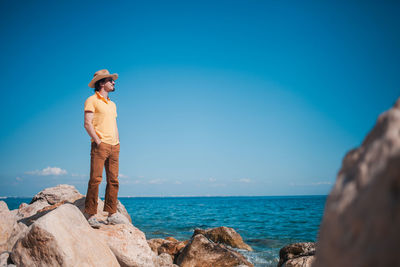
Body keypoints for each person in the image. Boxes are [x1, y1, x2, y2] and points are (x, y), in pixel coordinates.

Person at [83, 69, 125, 228]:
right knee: (95, 179)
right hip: (100, 145)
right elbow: (87, 123)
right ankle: (91, 214)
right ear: (101, 83)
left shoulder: (113, 104)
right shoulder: (91, 100)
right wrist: (98, 141)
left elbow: (114, 124)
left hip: (115, 146)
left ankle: (112, 214)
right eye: (110, 80)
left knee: (113, 180)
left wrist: (118, 141)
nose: (114, 82)